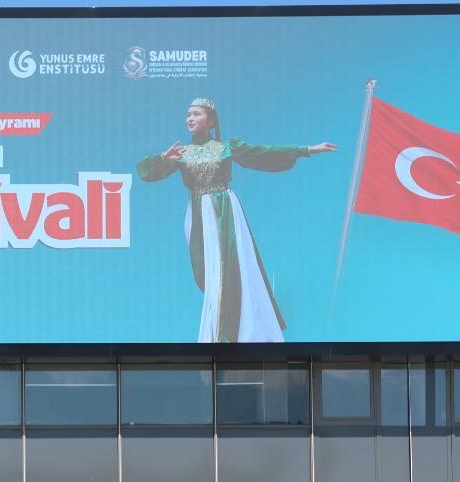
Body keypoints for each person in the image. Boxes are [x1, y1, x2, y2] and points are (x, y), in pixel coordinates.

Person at [135, 97, 336, 342]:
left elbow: (263, 153)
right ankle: (219, 328)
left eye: (196, 114)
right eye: (188, 114)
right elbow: (147, 172)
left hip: (224, 210)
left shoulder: (227, 147)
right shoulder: (181, 153)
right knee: (207, 273)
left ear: (211, 121)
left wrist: (306, 150)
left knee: (229, 268)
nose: (190, 118)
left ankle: (230, 335)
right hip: (198, 215)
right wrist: (163, 159)